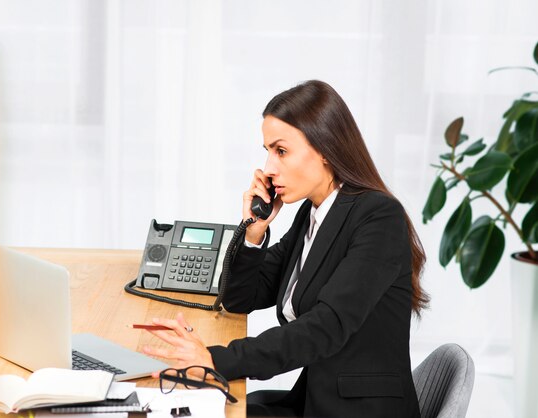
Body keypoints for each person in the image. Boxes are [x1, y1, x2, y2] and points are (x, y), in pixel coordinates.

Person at [142, 80, 428, 418]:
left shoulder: (378, 218)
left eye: (281, 151)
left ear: (324, 147)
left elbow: (325, 327)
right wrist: (253, 231)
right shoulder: (314, 213)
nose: (269, 168)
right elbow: (242, 299)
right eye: (267, 151)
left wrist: (216, 359)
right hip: (315, 400)